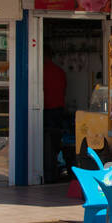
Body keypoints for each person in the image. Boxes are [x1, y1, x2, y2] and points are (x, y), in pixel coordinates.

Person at [42, 47, 68, 183]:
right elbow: (64, 89)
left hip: (45, 110)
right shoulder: (59, 71)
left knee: (45, 143)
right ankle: (57, 166)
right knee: (56, 142)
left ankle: (48, 169)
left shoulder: (41, 71)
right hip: (58, 109)